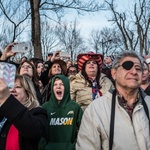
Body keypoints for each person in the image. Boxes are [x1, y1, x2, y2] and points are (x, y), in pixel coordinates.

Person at [76, 50, 150, 150]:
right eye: (127, 66)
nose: (134, 72)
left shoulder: (148, 104)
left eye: (138, 68)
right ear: (114, 73)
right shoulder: (95, 110)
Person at [0, 74, 47, 150]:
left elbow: (33, 131)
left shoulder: (38, 113)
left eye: (18, 87)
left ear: (28, 93)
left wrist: (7, 99)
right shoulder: (2, 113)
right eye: (9, 87)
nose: (12, 90)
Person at [38, 75, 83, 150]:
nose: (58, 87)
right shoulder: (45, 107)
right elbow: (39, 132)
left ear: (67, 87)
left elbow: (84, 130)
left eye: (62, 84)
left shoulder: (75, 107)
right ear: (52, 88)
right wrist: (44, 147)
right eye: (55, 84)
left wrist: (74, 146)